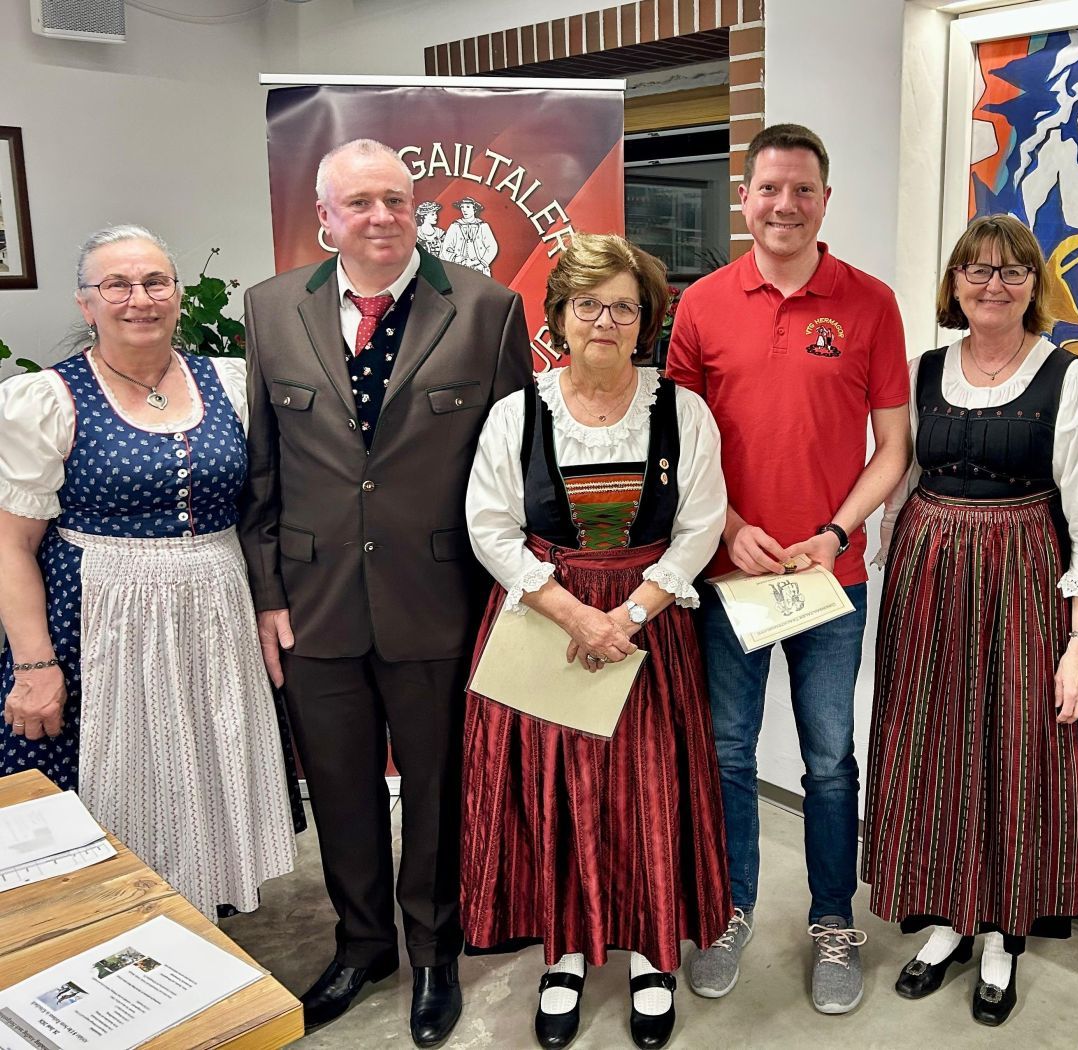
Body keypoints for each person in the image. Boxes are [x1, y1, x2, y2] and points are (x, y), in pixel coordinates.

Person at [238, 138, 531, 1048]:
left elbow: (515, 470)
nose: (379, 217)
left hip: (440, 598)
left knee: (438, 789)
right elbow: (263, 467)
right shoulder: (270, 308)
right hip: (313, 601)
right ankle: (362, 944)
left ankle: (434, 952)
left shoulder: (486, 309)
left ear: (416, 210)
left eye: (395, 200)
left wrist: (512, 596)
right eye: (358, 203)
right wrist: (267, 593)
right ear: (325, 218)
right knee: (339, 786)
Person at [461, 233, 730, 1050]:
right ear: (559, 317)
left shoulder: (683, 412)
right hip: (547, 620)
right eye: (589, 305)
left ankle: (650, 954)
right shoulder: (517, 414)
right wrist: (576, 615)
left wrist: (629, 615)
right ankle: (565, 954)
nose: (605, 321)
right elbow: (490, 527)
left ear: (646, 322)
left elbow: (700, 527)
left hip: (649, 625)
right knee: (556, 793)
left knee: (647, 792)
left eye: (624, 307)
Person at [667, 123, 911, 1015]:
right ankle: (729, 909)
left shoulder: (871, 303)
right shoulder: (701, 306)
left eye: (803, 189)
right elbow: (679, 446)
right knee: (727, 753)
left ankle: (834, 921)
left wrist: (838, 534)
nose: (785, 204)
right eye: (768, 188)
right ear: (744, 199)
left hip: (828, 579)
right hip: (730, 579)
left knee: (830, 760)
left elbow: (893, 449)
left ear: (825, 199)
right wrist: (728, 528)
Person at [0, 224, 296, 920]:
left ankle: (199, 926)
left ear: (177, 294)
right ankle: (117, 930)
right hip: (100, 617)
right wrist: (35, 663)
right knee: (117, 774)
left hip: (216, 608)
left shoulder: (229, 381)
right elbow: (11, 544)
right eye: (117, 285)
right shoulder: (48, 399)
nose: (140, 299)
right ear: (86, 304)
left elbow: (265, 508)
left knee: (205, 766)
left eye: (156, 282)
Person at [863, 214, 1078, 1027]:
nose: (993, 285)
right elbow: (898, 481)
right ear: (955, 283)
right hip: (928, 580)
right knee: (932, 745)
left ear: (1035, 284)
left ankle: (1002, 935)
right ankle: (947, 921)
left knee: (1016, 749)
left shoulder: (1068, 380)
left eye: (1011, 271)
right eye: (977, 269)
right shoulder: (922, 370)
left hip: (1024, 579)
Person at [441, 197, 498, 278]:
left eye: (468, 207)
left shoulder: (483, 226)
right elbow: (446, 248)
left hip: (479, 269)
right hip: (460, 269)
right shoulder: (455, 226)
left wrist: (482, 264)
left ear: (474, 209)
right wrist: (458, 260)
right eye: (462, 207)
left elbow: (492, 247)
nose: (464, 210)